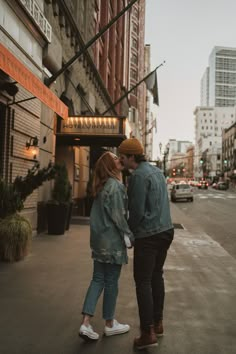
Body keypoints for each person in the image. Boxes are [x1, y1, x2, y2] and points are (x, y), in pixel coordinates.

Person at [118, 138, 174, 350]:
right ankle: (158, 324)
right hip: (166, 232)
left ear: (131, 156)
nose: (121, 160)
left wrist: (128, 233)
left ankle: (147, 332)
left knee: (142, 282)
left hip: (148, 236)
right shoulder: (158, 172)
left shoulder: (138, 176)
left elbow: (137, 212)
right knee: (156, 276)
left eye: (122, 157)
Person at [79, 151, 134, 341]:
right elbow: (119, 216)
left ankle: (85, 323)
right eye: (115, 159)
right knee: (111, 282)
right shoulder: (116, 187)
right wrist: (128, 235)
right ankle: (110, 324)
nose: (120, 160)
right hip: (112, 243)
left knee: (97, 280)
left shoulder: (101, 188)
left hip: (98, 241)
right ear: (110, 167)